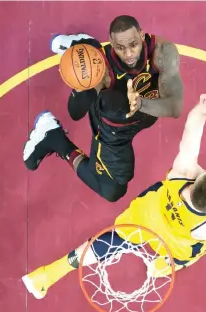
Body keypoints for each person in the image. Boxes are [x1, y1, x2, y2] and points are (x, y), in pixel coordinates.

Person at [21, 94, 206, 299]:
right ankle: (157, 268)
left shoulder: (183, 171)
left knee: (101, 244)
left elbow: (191, 133)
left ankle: (44, 276)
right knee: (163, 268)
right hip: (172, 250)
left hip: (140, 219)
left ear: (197, 181)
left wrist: (202, 108)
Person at [22, 15, 184, 202]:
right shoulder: (102, 72)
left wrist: (141, 104)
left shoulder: (163, 51)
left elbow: (175, 107)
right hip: (114, 128)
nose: (129, 54)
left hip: (144, 113)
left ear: (141, 35)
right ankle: (53, 135)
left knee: (130, 103)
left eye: (133, 44)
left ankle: (86, 46)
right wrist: (82, 85)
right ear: (112, 44)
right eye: (120, 48)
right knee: (112, 189)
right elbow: (74, 113)